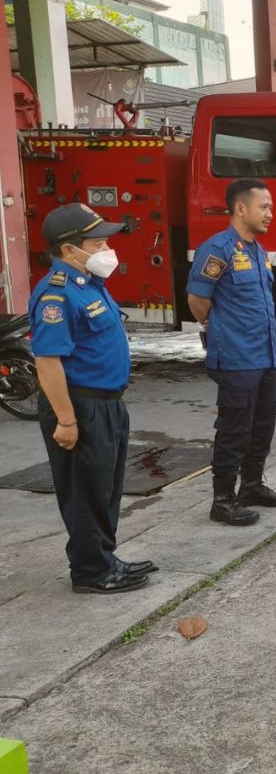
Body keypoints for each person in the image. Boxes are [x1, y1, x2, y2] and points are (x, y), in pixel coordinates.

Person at [29, 203, 156, 594]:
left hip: (106, 404)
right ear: (69, 249)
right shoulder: (57, 296)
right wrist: (66, 421)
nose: (107, 250)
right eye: (98, 243)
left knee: (104, 488)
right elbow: (48, 362)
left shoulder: (89, 285)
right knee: (85, 491)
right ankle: (90, 572)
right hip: (80, 407)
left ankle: (103, 557)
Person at [187, 179, 276, 527]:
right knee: (234, 429)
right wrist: (217, 328)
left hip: (263, 355)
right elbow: (198, 300)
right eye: (265, 207)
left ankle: (252, 485)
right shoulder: (217, 249)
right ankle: (223, 500)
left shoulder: (257, 251)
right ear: (241, 208)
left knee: (263, 424)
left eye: (271, 207)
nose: (270, 213)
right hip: (235, 357)